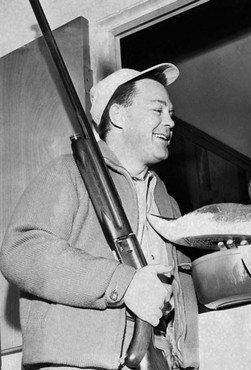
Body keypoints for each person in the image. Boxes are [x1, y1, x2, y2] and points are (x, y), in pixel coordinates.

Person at [0, 63, 199, 369]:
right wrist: (123, 282)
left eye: (170, 113)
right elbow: (21, 252)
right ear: (119, 116)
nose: (170, 122)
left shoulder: (167, 201)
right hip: (77, 362)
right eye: (158, 110)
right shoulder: (68, 171)